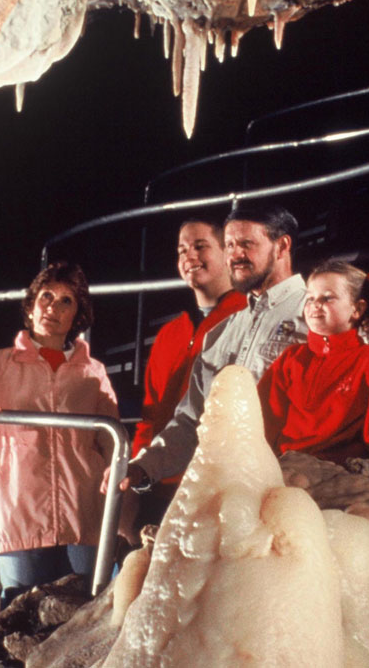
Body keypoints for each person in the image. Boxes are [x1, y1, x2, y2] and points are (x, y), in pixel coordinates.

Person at [0, 262, 119, 607]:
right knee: (20, 613)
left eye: (66, 301)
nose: (53, 307)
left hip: (85, 512)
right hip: (19, 512)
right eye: (46, 296)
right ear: (30, 306)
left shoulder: (93, 373)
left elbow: (112, 438)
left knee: (96, 607)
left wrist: (118, 476)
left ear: (77, 315)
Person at [118, 202, 308, 490]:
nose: (235, 255)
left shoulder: (316, 313)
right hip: (229, 491)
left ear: (282, 247)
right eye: (229, 245)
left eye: (246, 244)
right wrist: (144, 468)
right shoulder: (221, 333)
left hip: (296, 489)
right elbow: (193, 420)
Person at [130, 218, 246, 524]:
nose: (188, 257)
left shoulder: (246, 321)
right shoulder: (170, 333)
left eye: (200, 246)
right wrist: (135, 478)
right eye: (182, 250)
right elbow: (150, 415)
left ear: (227, 253)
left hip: (215, 489)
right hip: (158, 485)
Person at [257, 259, 369, 467]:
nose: (315, 305)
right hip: (286, 469)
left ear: (357, 309)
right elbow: (263, 418)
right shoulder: (291, 359)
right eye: (310, 298)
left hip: (340, 474)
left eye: (327, 298)